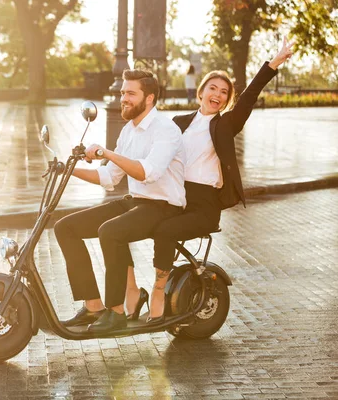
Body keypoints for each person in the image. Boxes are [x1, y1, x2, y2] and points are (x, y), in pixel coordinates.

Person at [123, 38, 295, 324]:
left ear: (226, 100)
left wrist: (273, 63)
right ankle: (130, 291)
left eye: (224, 92)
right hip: (176, 198)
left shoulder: (226, 124)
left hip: (204, 206)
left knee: (164, 231)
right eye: (212, 88)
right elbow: (149, 145)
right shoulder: (178, 122)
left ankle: (158, 289)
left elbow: (250, 95)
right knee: (126, 225)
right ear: (201, 92)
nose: (217, 94)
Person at [54, 69, 186, 333]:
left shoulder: (166, 129)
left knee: (110, 231)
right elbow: (109, 177)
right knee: (65, 228)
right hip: (137, 202)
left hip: (165, 207)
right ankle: (94, 306)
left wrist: (107, 152)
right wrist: (67, 170)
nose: (123, 98)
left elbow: (148, 172)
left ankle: (116, 312)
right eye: (122, 92)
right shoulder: (128, 131)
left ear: (149, 99)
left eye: (129, 93)